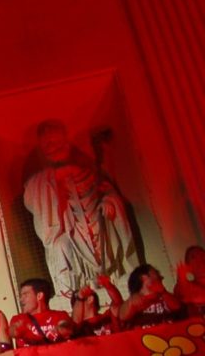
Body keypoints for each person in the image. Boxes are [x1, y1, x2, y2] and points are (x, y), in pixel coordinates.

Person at [22, 119, 137, 298]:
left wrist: (109, 201)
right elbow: (31, 198)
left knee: (107, 230)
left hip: (98, 223)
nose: (52, 147)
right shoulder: (41, 180)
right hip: (70, 230)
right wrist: (54, 178)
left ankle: (114, 276)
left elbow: (106, 190)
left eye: (56, 142)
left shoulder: (88, 170)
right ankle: (69, 293)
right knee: (60, 245)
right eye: (47, 145)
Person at [9, 278, 74, 347]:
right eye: (21, 296)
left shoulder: (59, 316)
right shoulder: (18, 319)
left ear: (39, 296)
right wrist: (15, 330)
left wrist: (63, 328)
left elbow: (68, 327)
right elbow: (12, 331)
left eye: (25, 295)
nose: (21, 299)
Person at [120, 264, 182, 329]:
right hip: (146, 338)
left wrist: (163, 292)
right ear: (144, 277)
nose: (161, 277)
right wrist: (131, 302)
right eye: (156, 273)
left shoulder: (164, 296)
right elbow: (122, 316)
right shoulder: (134, 300)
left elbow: (177, 306)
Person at [174, 246, 205, 318]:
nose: (199, 260)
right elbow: (184, 294)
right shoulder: (181, 286)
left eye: (202, 255)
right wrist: (181, 278)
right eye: (193, 257)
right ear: (188, 267)